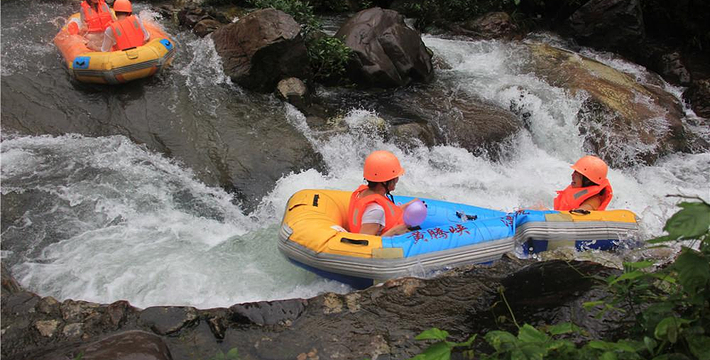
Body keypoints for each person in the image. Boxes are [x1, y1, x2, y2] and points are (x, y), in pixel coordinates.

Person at [347, 150, 416, 236]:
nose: (397, 180)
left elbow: (388, 213)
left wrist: (406, 206)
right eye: (395, 177)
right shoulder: (375, 210)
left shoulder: (363, 193)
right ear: (384, 182)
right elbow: (365, 244)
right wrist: (394, 231)